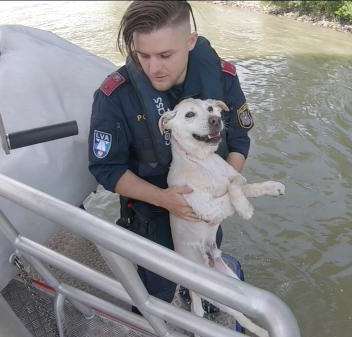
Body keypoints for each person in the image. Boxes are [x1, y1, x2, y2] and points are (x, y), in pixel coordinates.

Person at [88, 1, 254, 305]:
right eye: (144, 55)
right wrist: (165, 199)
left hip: (207, 210)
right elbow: (106, 168)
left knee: (206, 283)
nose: (153, 67)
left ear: (190, 42)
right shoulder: (115, 96)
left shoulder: (223, 79)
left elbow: (240, 140)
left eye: (165, 55)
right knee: (158, 295)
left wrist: (227, 186)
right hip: (149, 216)